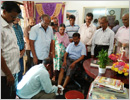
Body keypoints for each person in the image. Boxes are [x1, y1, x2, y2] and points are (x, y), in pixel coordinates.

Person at [1, 1, 21, 99]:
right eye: (12, 17)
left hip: (12, 71)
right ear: (4, 11)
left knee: (12, 95)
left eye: (15, 17)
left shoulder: (9, 25)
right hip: (4, 74)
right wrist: (8, 74)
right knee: (5, 96)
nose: (14, 20)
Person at [13, 13, 25, 82]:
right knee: (15, 72)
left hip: (21, 52)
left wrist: (23, 49)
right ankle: (14, 89)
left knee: (21, 70)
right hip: (14, 53)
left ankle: (20, 88)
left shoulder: (19, 26)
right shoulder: (10, 27)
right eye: (17, 18)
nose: (18, 20)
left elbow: (21, 39)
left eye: (19, 18)